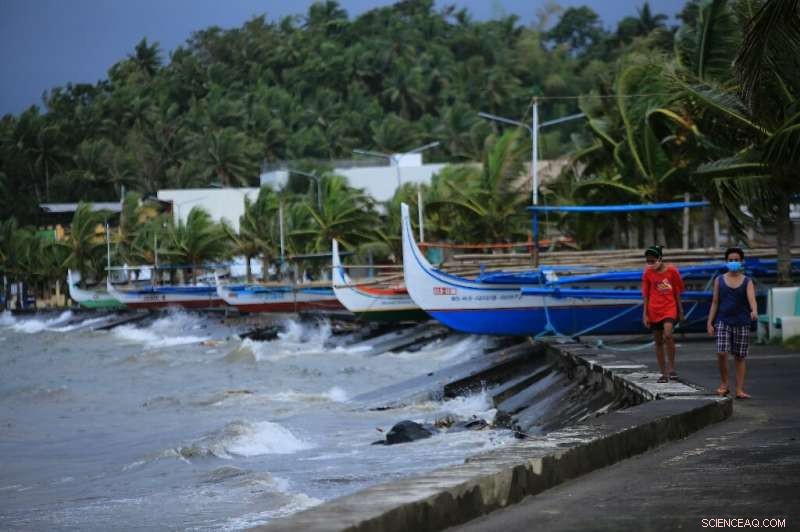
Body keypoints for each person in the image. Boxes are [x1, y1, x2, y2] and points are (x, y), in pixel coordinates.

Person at [706, 247, 758, 399]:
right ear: (726, 261)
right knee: (721, 352)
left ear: (742, 262)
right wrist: (710, 322)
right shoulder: (719, 280)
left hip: (742, 322)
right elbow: (715, 302)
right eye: (730, 260)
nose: (733, 262)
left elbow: (752, 299)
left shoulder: (747, 281)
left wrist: (754, 311)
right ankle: (724, 384)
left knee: (740, 357)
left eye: (736, 260)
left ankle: (739, 389)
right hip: (723, 321)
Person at [642, 245, 685, 383]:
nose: (651, 264)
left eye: (653, 261)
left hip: (669, 307)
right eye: (648, 261)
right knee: (658, 341)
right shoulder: (648, 273)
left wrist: (680, 309)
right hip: (654, 309)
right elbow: (646, 295)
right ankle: (663, 372)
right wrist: (645, 314)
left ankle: (672, 367)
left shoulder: (672, 271)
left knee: (668, 335)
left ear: (660, 259)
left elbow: (677, 291)